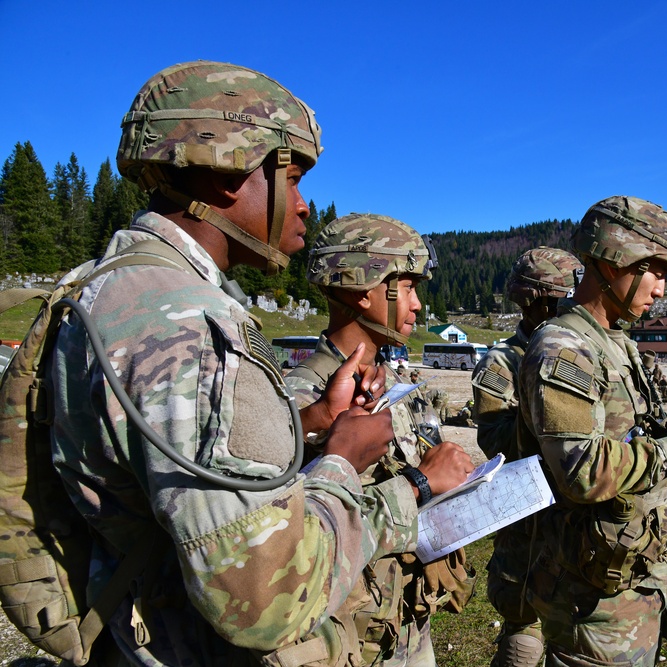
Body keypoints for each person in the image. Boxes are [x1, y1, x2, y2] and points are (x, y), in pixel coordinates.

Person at [48, 61, 409, 666]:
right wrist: (344, 460)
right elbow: (266, 602)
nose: (301, 206)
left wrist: (312, 419)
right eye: (290, 177)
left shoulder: (108, 285)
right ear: (227, 174)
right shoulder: (184, 322)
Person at [517, 196, 667, 666]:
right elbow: (584, 472)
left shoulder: (615, 341)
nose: (660, 290)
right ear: (612, 259)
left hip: (632, 574)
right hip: (593, 596)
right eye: (654, 270)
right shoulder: (566, 348)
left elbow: (631, 435)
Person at [283, 213, 477, 666]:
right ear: (364, 289)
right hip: (345, 640)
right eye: (408, 288)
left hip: (404, 623)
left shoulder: (395, 384)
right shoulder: (301, 398)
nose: (418, 306)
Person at [470, 246, 582, 667]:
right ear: (537, 301)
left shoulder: (582, 353)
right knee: (525, 630)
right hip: (530, 529)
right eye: (563, 299)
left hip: (582, 523)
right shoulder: (503, 362)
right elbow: (495, 443)